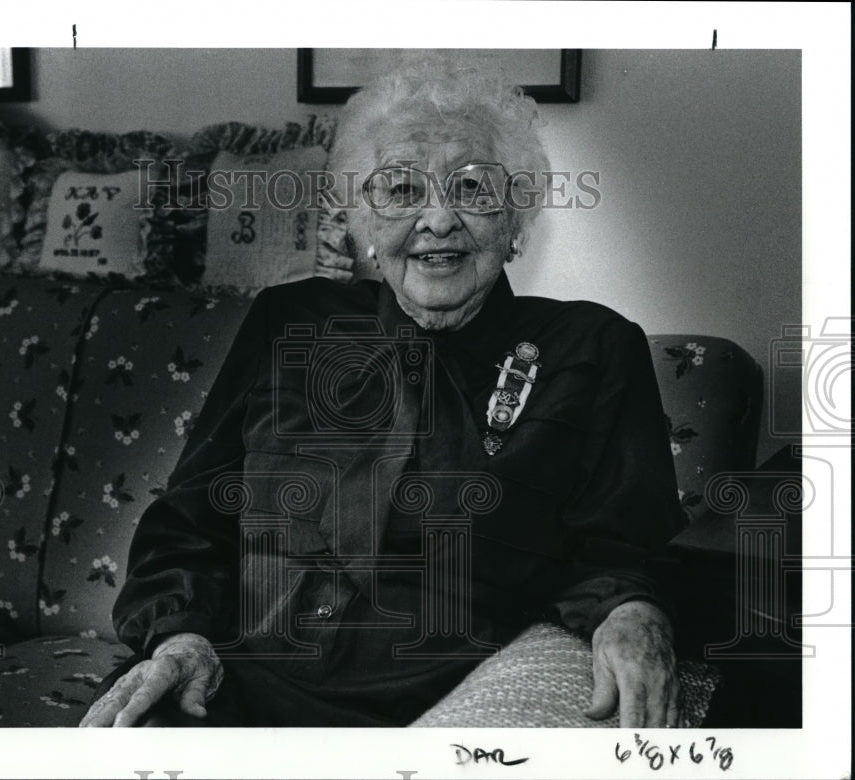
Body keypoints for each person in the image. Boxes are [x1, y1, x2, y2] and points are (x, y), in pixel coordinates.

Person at [81, 56, 685, 729]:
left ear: (516, 219)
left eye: (472, 188)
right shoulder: (290, 322)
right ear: (363, 219)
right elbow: (190, 521)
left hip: (445, 703)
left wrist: (631, 613)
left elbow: (624, 550)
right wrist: (179, 635)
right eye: (400, 190)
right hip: (240, 685)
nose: (437, 220)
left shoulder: (590, 348)